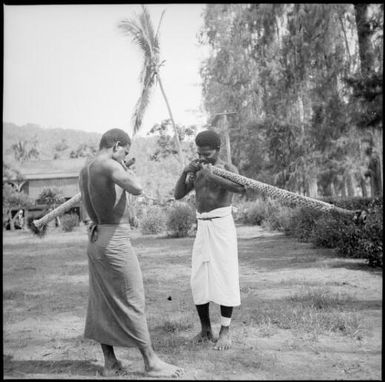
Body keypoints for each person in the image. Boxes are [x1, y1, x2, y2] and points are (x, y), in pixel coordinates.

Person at [79, 128, 184, 378]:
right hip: (114, 240)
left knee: (102, 301)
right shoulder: (109, 165)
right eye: (125, 151)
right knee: (133, 299)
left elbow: (88, 205)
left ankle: (110, 363)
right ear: (117, 145)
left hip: (97, 237)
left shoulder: (87, 168)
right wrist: (126, 167)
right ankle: (151, 362)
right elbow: (137, 187)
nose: (125, 156)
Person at [174, 130, 245, 351]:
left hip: (222, 225)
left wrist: (212, 173)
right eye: (200, 153)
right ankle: (206, 330)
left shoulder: (228, 169)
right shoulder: (196, 168)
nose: (203, 157)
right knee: (199, 278)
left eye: (208, 154)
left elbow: (241, 188)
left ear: (218, 150)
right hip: (202, 226)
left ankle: (225, 331)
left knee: (225, 275)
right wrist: (185, 172)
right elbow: (178, 194)